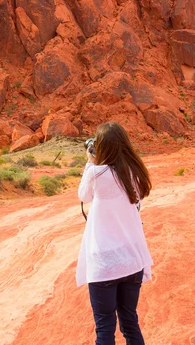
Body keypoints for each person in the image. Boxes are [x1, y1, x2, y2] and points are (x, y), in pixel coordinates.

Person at [76, 122, 153, 345]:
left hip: (104, 263)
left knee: (105, 328)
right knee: (130, 323)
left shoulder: (96, 173)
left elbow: (83, 196)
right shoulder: (135, 172)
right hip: (132, 260)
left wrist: (91, 162)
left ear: (101, 147)